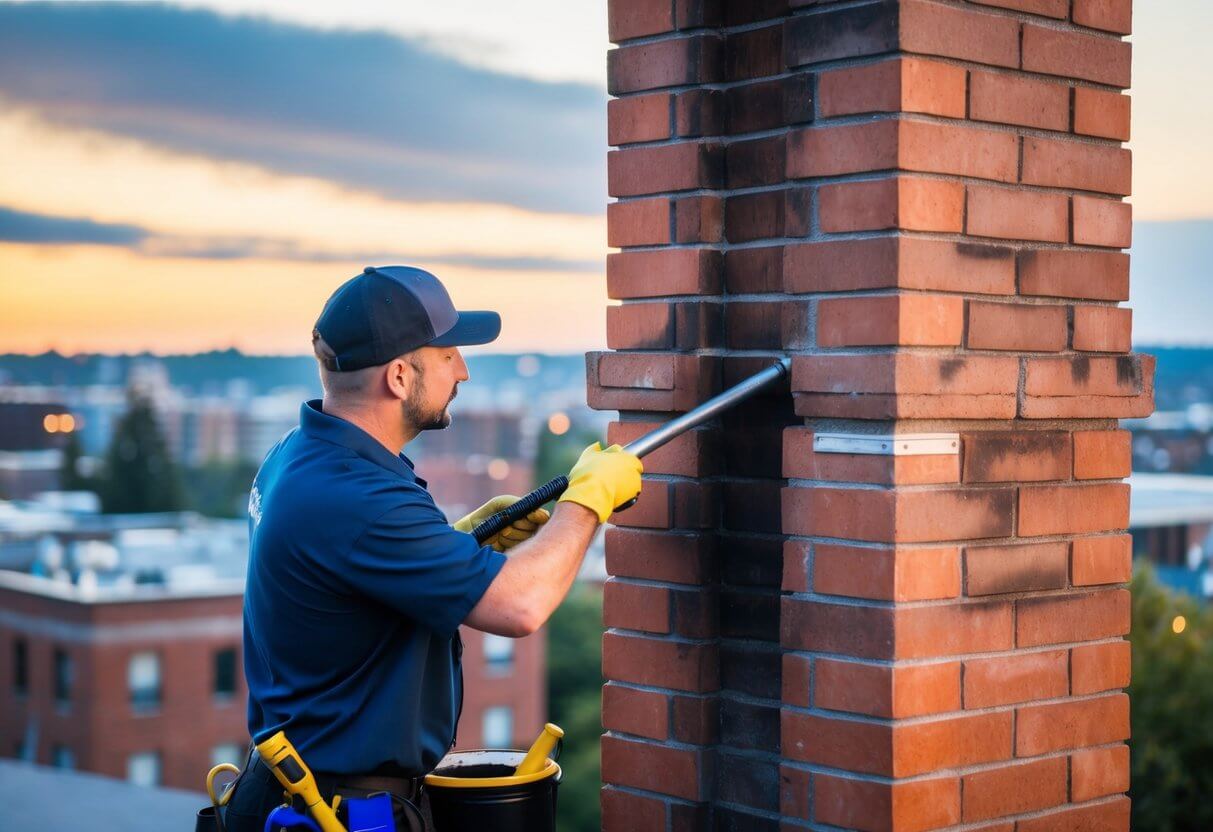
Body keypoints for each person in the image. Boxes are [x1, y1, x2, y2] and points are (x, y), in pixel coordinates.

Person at [222, 266, 642, 832]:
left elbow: (349, 577)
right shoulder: (358, 498)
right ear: (398, 376)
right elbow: (521, 605)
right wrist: (589, 500)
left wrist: (458, 544)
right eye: (448, 354)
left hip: (291, 788)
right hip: (347, 809)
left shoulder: (299, 455)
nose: (463, 370)